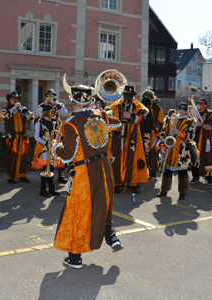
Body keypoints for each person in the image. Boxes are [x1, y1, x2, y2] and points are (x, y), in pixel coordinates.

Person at [53, 77, 122, 269]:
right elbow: (117, 124)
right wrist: (102, 112)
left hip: (84, 172)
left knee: (78, 211)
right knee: (102, 203)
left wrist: (55, 148)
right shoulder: (100, 115)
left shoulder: (71, 122)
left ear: (73, 101)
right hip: (104, 167)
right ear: (91, 100)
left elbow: (67, 155)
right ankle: (110, 235)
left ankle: (75, 258)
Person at [108, 85, 149, 193]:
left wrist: (132, 117)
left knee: (133, 160)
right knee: (117, 159)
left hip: (133, 137)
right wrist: (114, 127)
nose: (127, 98)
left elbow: (143, 120)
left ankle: (133, 184)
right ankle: (117, 183)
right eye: (126, 95)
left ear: (133, 97)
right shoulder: (115, 106)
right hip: (118, 137)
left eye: (130, 96)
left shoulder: (138, 106)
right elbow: (108, 118)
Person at [157, 103, 197, 200]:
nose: (182, 110)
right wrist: (162, 147)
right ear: (177, 109)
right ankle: (164, 190)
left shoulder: (190, 121)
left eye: (184, 108)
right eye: (180, 108)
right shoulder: (168, 119)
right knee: (167, 170)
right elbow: (162, 134)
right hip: (168, 148)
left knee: (182, 172)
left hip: (182, 150)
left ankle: (183, 192)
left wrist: (179, 133)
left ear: (187, 110)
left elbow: (191, 136)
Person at [33, 89, 69, 184]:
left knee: (59, 155)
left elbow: (65, 114)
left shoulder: (59, 105)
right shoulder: (42, 106)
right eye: (48, 95)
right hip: (47, 133)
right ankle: (47, 178)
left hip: (57, 132)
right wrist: (45, 103)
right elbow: (38, 114)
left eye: (52, 95)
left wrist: (56, 104)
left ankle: (60, 175)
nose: (50, 97)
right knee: (48, 158)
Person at [2, 91, 34, 184]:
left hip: (23, 136)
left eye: (17, 99)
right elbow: (6, 117)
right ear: (9, 100)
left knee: (23, 156)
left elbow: (31, 117)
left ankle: (22, 175)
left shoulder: (22, 109)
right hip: (12, 137)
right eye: (13, 99)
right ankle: (10, 177)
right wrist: (14, 108)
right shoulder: (5, 109)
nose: (15, 101)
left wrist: (25, 112)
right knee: (11, 156)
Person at [34, 104, 62, 197]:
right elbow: (36, 136)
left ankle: (51, 188)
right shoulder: (39, 122)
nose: (53, 113)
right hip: (45, 148)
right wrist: (45, 142)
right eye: (51, 111)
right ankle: (42, 190)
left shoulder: (53, 122)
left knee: (51, 168)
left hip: (52, 148)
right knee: (45, 169)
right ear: (47, 112)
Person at [190, 98, 212, 185]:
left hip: (205, 139)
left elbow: (211, 127)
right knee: (194, 157)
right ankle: (195, 177)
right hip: (194, 138)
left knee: (207, 158)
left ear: (205, 105)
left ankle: (209, 178)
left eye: (201, 103)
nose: (199, 104)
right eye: (198, 103)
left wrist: (201, 124)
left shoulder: (209, 113)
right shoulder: (193, 112)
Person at [139, 89, 164, 178]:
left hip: (152, 134)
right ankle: (141, 171)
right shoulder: (139, 107)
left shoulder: (157, 109)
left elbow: (161, 122)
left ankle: (152, 170)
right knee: (140, 152)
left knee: (152, 152)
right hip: (140, 133)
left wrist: (158, 132)